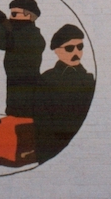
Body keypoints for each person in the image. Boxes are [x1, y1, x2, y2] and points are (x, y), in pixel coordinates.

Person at [33, 24, 95, 164]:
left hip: (86, 151)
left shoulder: (89, 80)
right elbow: (42, 125)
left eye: (80, 47)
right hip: (55, 151)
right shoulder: (47, 80)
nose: (76, 52)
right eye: (69, 48)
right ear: (57, 51)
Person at [2, 0, 45, 118]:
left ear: (29, 15)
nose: (10, 18)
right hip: (16, 98)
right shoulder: (21, 35)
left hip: (26, 102)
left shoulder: (29, 37)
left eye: (14, 14)